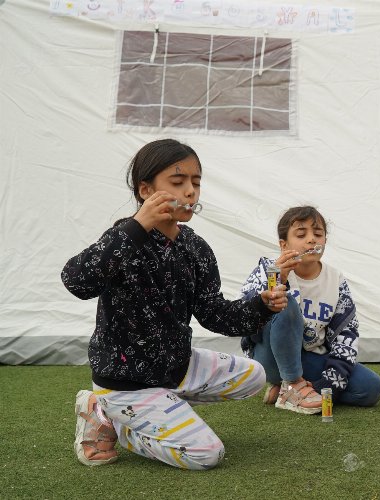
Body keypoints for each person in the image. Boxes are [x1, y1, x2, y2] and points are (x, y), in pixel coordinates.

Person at [61, 139, 285, 470]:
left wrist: (262, 306)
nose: (191, 191)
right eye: (178, 182)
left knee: (254, 375)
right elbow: (76, 281)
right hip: (125, 381)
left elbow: (214, 314)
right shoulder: (124, 238)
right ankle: (110, 418)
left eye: (196, 182)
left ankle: (160, 407)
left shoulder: (195, 248)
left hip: (176, 367)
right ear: (145, 189)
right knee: (206, 454)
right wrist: (136, 226)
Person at [238, 206, 380, 414]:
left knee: (371, 388)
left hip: (309, 359)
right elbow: (244, 319)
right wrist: (279, 280)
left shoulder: (336, 280)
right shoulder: (268, 269)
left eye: (318, 234)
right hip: (269, 357)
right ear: (284, 244)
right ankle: (292, 382)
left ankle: (292, 390)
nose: (311, 240)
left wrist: (328, 385)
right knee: (285, 303)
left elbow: (346, 335)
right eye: (301, 234)